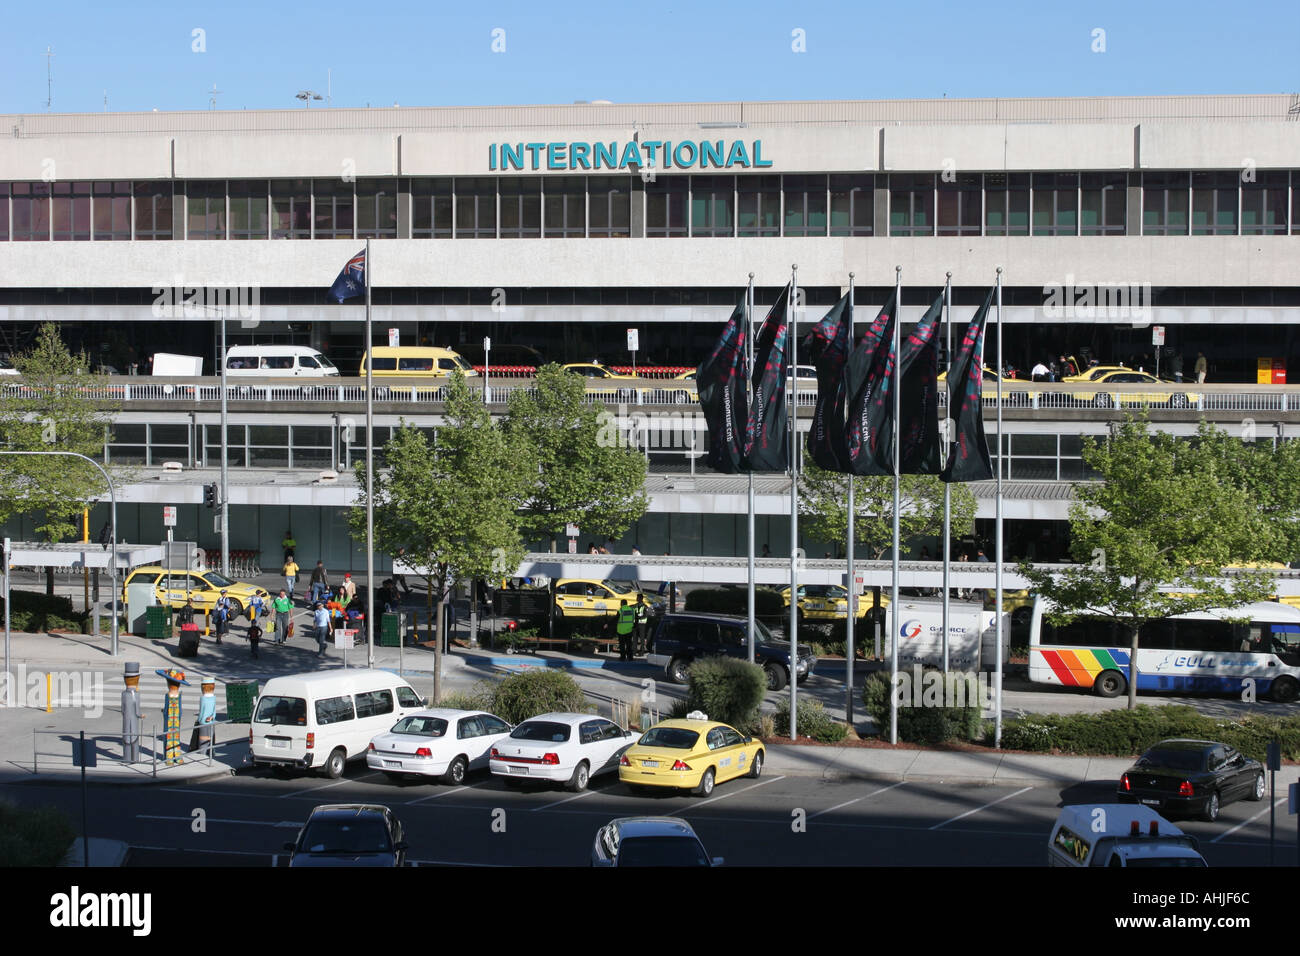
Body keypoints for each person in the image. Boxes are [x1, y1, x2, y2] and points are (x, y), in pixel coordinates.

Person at [156, 668, 190, 766]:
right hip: (176, 719)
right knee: (176, 737)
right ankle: (177, 757)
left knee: (168, 736)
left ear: (168, 684)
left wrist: (164, 713)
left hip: (169, 719)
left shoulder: (168, 695)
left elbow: (166, 710)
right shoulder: (179, 695)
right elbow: (180, 710)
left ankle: (169, 758)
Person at [121, 661, 143, 763]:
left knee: (126, 739)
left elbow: (122, 709)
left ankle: (127, 758)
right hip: (133, 721)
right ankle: (135, 758)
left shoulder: (124, 694)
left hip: (125, 720)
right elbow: (137, 710)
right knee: (134, 739)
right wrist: (140, 715)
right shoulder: (136, 694)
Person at [190, 677, 217, 753]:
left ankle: (202, 751)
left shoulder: (203, 698)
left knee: (203, 737)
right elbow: (214, 710)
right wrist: (212, 717)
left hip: (203, 721)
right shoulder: (213, 698)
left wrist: (199, 719)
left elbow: (202, 711)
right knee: (211, 736)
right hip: (211, 721)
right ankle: (211, 751)